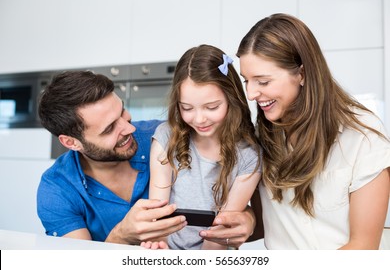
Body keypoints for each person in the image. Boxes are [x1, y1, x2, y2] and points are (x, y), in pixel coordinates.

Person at [37, 70, 259, 247]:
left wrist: (249, 219)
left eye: (122, 112)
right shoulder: (56, 190)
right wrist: (122, 235)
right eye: (109, 129)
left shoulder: (166, 138)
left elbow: (225, 185)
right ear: (71, 142)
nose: (129, 127)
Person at [235, 13, 390, 249]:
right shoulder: (261, 138)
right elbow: (267, 222)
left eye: (263, 82)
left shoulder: (362, 136)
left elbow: (363, 247)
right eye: (246, 80)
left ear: (302, 74)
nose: (251, 93)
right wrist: (247, 219)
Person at [141, 44, 262, 250]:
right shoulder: (166, 137)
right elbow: (157, 217)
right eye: (187, 108)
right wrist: (160, 249)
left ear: (231, 99)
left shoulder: (249, 155)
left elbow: (219, 234)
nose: (199, 119)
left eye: (212, 107)